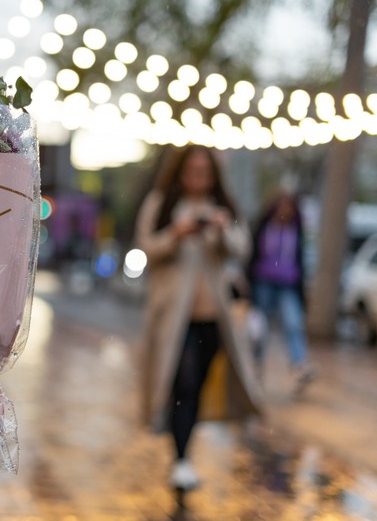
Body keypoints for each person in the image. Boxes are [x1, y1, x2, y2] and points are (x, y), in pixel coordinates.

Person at [135, 144, 262, 491]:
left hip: (215, 320)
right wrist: (177, 233)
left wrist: (220, 229)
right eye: (192, 170)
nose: (198, 177)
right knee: (184, 384)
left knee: (199, 385)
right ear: (180, 171)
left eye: (204, 171)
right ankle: (181, 459)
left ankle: (183, 450)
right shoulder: (161, 202)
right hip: (174, 320)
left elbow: (243, 248)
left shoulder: (224, 206)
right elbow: (146, 247)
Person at [247, 192, 316, 392]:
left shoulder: (296, 230)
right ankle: (255, 366)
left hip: (288, 284)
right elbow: (251, 255)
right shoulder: (263, 227)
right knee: (260, 328)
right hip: (263, 282)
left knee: (293, 322)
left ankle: (299, 364)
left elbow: (300, 260)